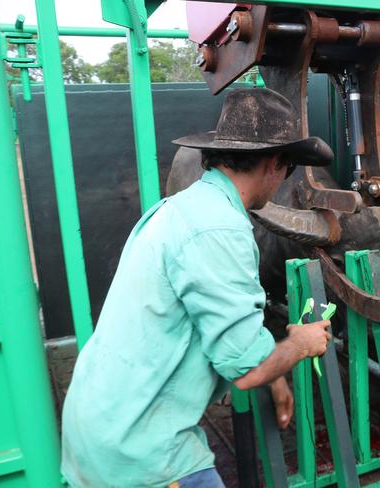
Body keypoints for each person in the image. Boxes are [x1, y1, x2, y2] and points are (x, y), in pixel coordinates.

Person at [61, 88, 335, 488]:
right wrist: (299, 343)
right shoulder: (220, 228)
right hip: (142, 450)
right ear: (276, 164)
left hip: (99, 425)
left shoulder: (182, 207)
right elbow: (248, 370)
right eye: (290, 169)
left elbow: (215, 330)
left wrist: (272, 371)